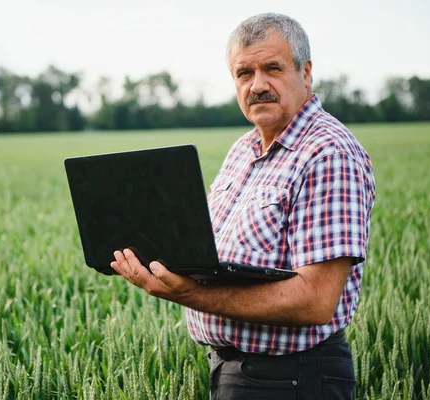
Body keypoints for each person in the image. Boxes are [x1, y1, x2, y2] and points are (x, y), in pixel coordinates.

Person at [110, 12, 375, 400]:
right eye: (244, 73)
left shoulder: (328, 153)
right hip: (231, 369)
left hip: (292, 379)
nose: (258, 85)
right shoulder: (242, 151)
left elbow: (315, 301)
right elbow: (209, 253)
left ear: (306, 72)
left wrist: (189, 295)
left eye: (272, 68)